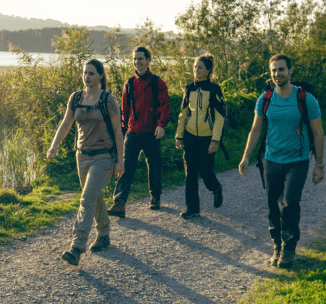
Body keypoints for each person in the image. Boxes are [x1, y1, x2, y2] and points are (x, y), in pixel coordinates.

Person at [238, 54, 325, 269]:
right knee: (272, 205)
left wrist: (319, 165)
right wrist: (246, 157)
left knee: (290, 202)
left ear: (290, 71)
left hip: (298, 160)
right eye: (274, 70)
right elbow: (256, 129)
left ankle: (289, 247)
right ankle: (277, 244)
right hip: (272, 160)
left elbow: (318, 132)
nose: (278, 74)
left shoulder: (305, 99)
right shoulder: (265, 99)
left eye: (281, 69)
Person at [47, 59, 125, 266]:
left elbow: (118, 131)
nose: (87, 77)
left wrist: (120, 161)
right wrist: (54, 145)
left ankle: (76, 246)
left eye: (91, 73)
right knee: (94, 197)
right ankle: (104, 235)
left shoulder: (108, 99)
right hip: (82, 156)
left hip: (104, 157)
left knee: (87, 198)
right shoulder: (76, 98)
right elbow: (65, 125)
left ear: (100, 76)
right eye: (84, 73)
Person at [107, 46, 170, 217]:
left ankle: (155, 197)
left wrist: (161, 125)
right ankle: (119, 203)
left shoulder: (158, 83)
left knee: (154, 166)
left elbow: (165, 105)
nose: (137, 62)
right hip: (133, 133)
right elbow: (124, 111)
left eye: (140, 59)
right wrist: (121, 132)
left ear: (148, 60)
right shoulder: (129, 84)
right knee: (126, 167)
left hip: (152, 132)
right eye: (135, 59)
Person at [174, 53, 225, 219]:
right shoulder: (189, 88)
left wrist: (215, 140)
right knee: (190, 173)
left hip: (207, 138)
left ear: (208, 70)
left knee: (205, 170)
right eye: (195, 67)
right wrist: (179, 136)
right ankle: (193, 208)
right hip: (190, 136)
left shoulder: (214, 89)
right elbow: (183, 113)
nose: (196, 70)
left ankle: (215, 188)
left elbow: (220, 118)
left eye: (200, 67)